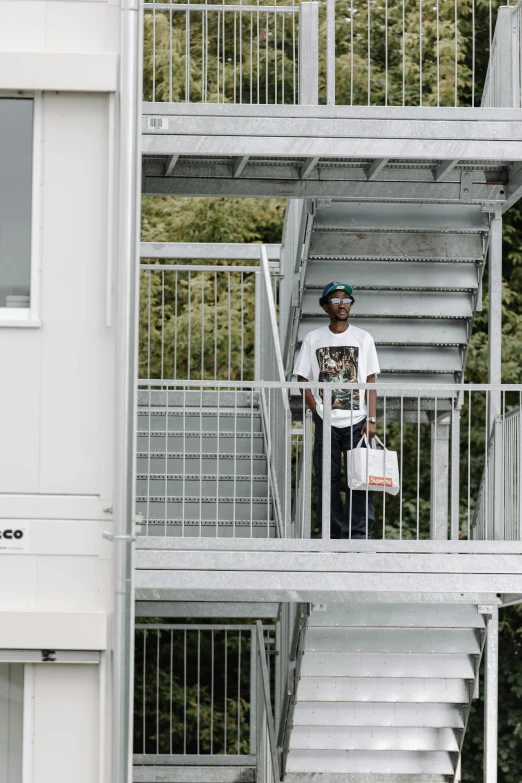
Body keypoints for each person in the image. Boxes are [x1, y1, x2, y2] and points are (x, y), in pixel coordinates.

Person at [294, 281, 380, 539]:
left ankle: (357, 535)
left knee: (360, 479)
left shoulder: (363, 338)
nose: (342, 304)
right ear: (324, 306)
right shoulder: (314, 338)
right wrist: (317, 410)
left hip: (358, 421)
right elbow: (302, 380)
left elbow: (371, 380)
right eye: (336, 300)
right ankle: (331, 534)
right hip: (327, 421)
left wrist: (372, 417)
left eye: (347, 300)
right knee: (327, 480)